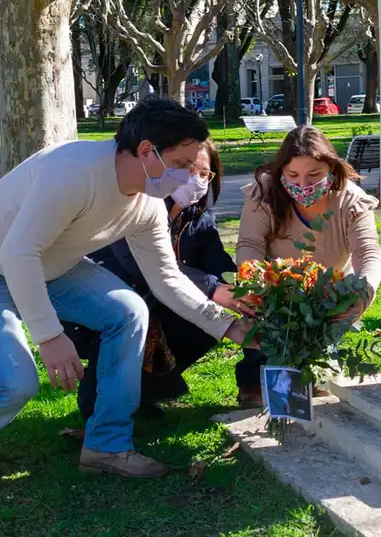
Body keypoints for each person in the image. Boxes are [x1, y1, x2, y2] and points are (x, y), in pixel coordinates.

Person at [0, 99, 252, 490]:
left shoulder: (146, 204)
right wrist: (50, 336)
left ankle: (107, 446)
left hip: (52, 267)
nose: (191, 177)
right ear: (147, 151)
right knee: (15, 383)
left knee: (130, 311)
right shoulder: (74, 171)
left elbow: (166, 278)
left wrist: (229, 327)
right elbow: (18, 253)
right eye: (184, 164)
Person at [63, 139, 252, 422]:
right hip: (106, 302)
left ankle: (143, 393)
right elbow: (144, 264)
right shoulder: (137, 205)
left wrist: (247, 289)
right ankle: (99, 404)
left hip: (163, 302)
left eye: (205, 174)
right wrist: (213, 289)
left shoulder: (199, 218)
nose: (197, 180)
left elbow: (218, 265)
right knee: (137, 313)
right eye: (188, 168)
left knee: (202, 323)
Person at [234, 126, 381, 407]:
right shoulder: (264, 193)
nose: (303, 185)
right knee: (263, 365)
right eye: (293, 176)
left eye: (314, 175)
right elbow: (249, 244)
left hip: (328, 300)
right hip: (274, 296)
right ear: (281, 173)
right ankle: (254, 387)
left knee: (318, 384)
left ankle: (312, 383)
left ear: (331, 168)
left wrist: (364, 290)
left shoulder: (350, 200)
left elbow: (367, 251)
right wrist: (253, 281)